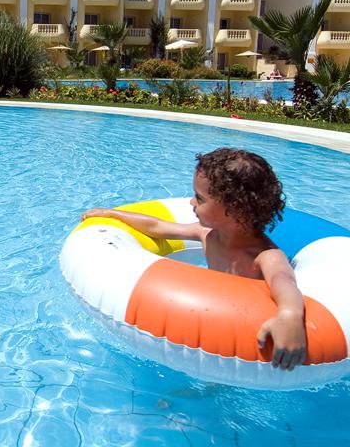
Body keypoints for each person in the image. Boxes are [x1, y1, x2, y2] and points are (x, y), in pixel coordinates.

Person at [81, 148, 307, 371]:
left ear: (234, 209)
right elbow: (158, 227)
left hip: (241, 338)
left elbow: (284, 280)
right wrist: (114, 214)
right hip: (208, 315)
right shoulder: (207, 234)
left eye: (199, 198)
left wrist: (289, 315)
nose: (191, 202)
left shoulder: (265, 256)